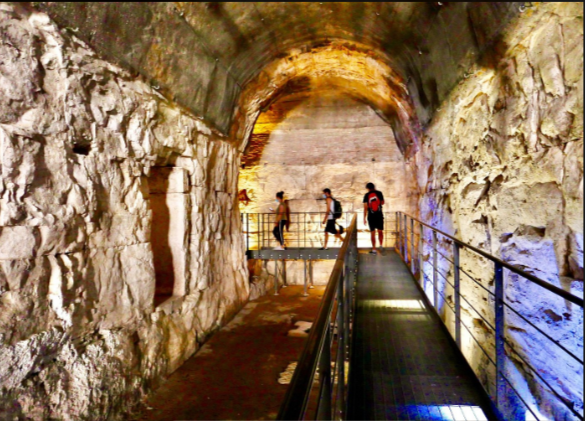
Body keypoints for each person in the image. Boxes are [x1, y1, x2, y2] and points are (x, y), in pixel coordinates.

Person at [363, 182, 385, 254]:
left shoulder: (366, 195)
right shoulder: (379, 193)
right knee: (380, 231)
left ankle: (374, 249)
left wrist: (364, 218)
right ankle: (381, 245)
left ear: (368, 188)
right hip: (379, 215)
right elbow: (382, 202)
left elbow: (365, 207)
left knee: (372, 232)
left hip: (371, 216)